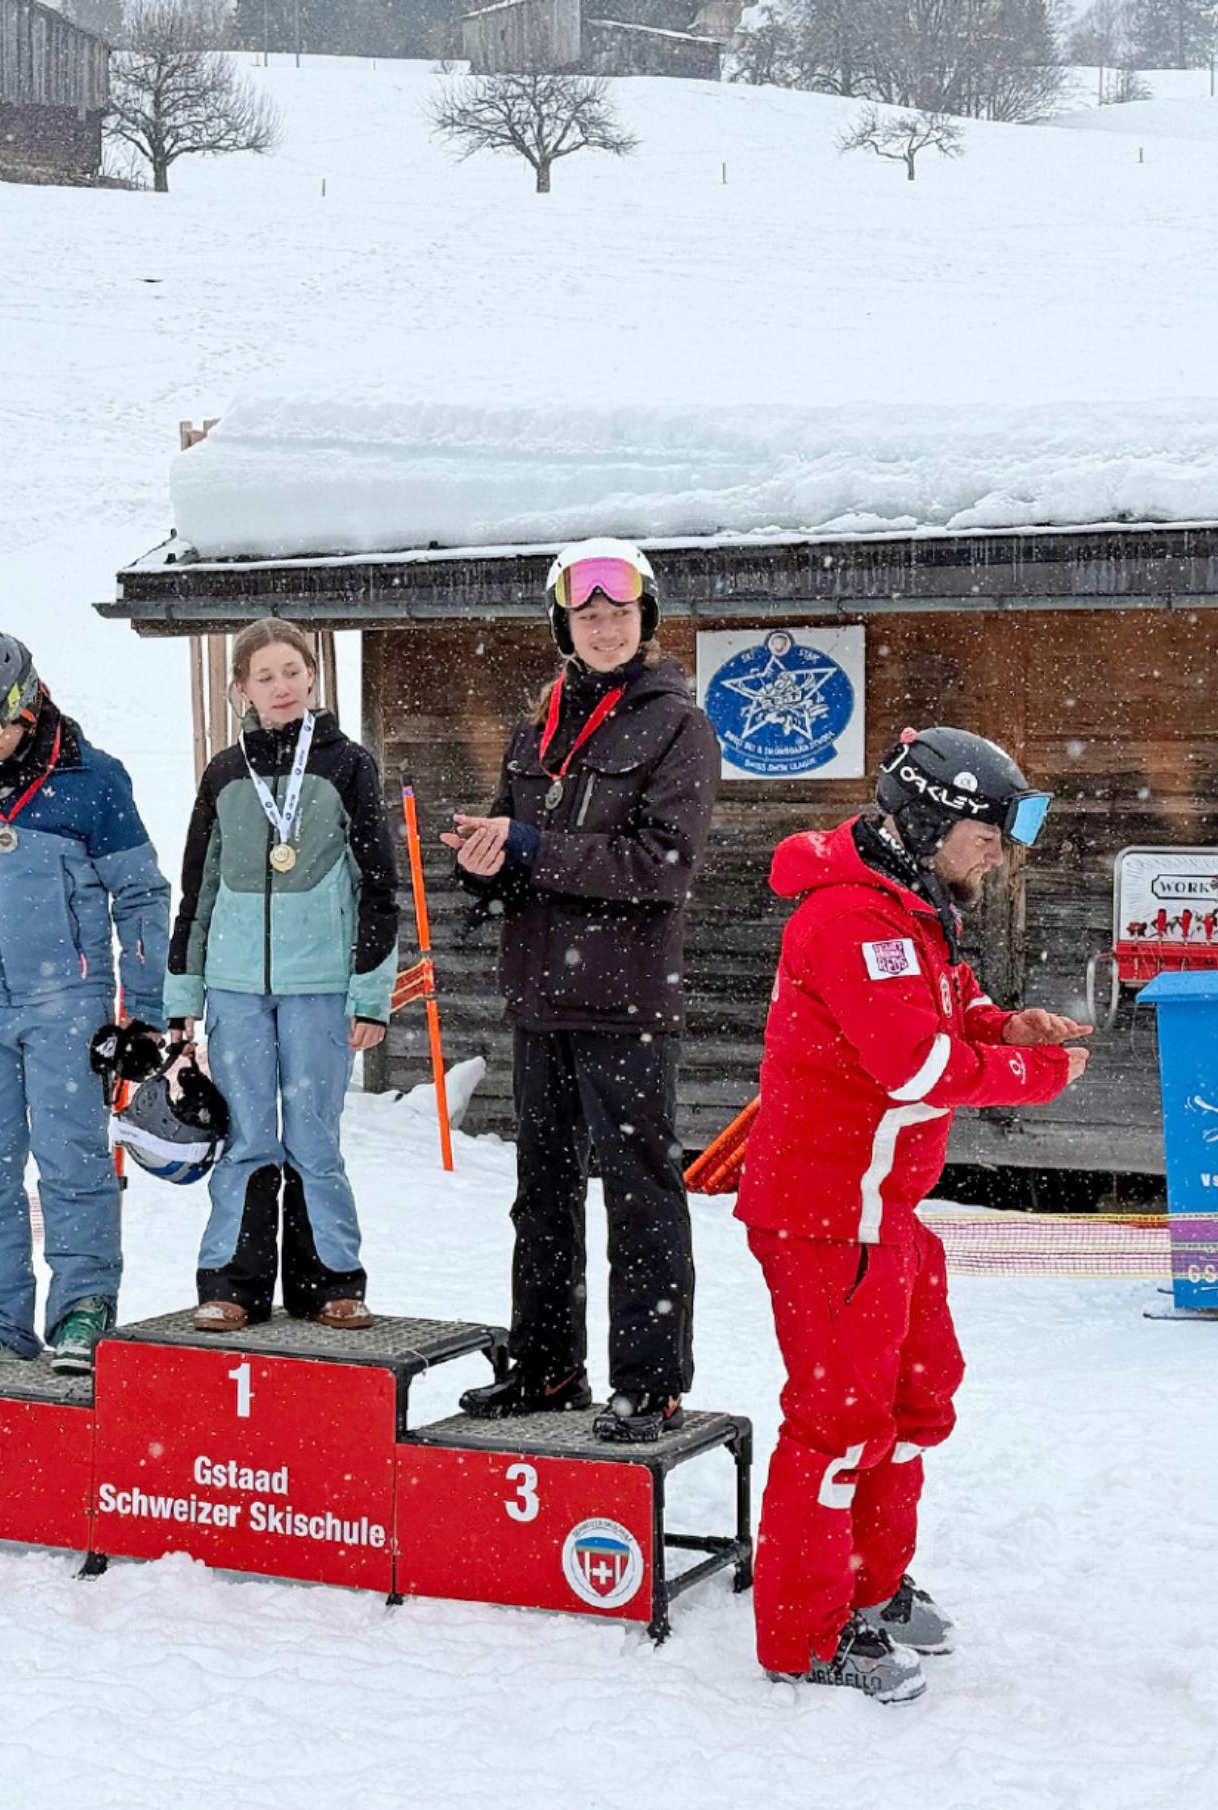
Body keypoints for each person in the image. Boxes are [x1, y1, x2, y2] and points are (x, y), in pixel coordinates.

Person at [736, 727, 1089, 1703]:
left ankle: (871, 1584)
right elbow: (916, 1066)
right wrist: (1036, 1073)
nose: (1001, 849)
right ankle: (806, 1632)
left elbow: (949, 1017)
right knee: (836, 1424)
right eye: (990, 826)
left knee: (912, 1399)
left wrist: (1005, 1027)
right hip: (825, 1214)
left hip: (883, 1208)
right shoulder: (852, 919)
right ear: (932, 815)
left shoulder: (918, 908)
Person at [443, 538, 718, 1440]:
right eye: (588, 614)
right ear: (566, 624)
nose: (604, 627)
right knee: (542, 1191)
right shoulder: (540, 724)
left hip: (628, 1000)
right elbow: (519, 846)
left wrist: (530, 850)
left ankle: (650, 1382)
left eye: (620, 613)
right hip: (540, 996)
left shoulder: (679, 725)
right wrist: (487, 863)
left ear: (645, 620)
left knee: (639, 1193)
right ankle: (547, 1365)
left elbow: (660, 865)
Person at [0, 627, 170, 1375]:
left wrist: (143, 1013)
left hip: (66, 999)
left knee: (72, 1158)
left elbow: (141, 896)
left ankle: (83, 1305)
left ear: (24, 704)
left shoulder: (93, 781)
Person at [165, 618, 398, 1332]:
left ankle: (330, 1282)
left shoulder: (348, 765)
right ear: (243, 689)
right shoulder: (224, 774)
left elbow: (379, 889)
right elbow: (196, 891)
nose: (282, 687)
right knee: (248, 1137)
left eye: (292, 672)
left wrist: (371, 997)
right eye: (265, 676)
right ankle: (232, 1285)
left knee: (315, 1139)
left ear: (311, 678)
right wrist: (183, 999)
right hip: (235, 990)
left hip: (321, 987)